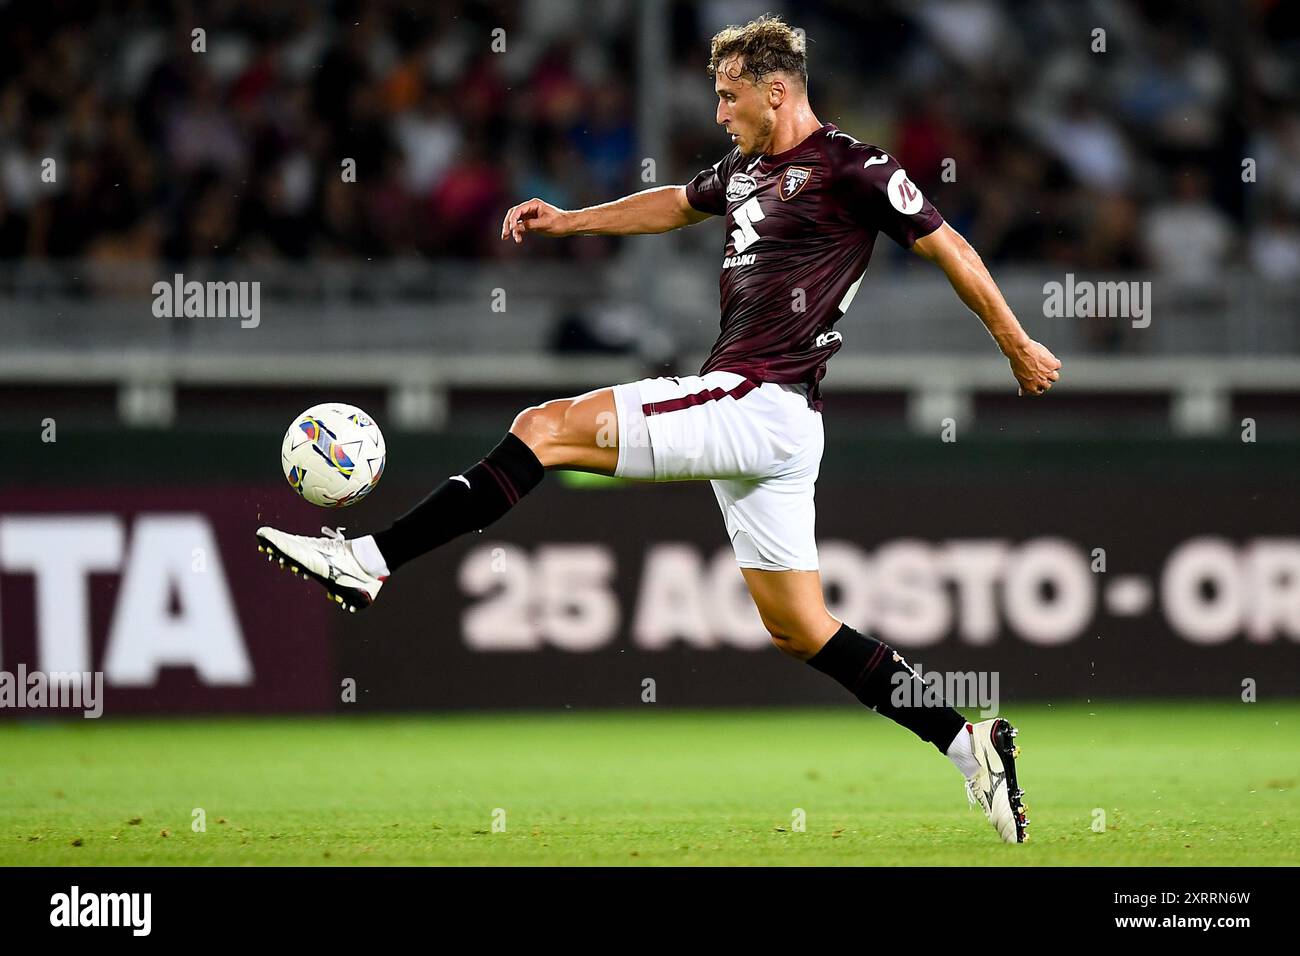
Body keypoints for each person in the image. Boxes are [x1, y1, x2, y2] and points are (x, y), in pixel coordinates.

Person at [257, 15, 1060, 843]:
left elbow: (948, 244)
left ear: (775, 90)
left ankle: (368, 559)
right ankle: (968, 743)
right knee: (801, 628)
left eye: (728, 95)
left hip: (755, 399)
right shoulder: (747, 168)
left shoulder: (852, 167)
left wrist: (1016, 342)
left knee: (545, 427)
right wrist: (570, 222)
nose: (718, 112)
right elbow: (674, 204)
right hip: (778, 428)